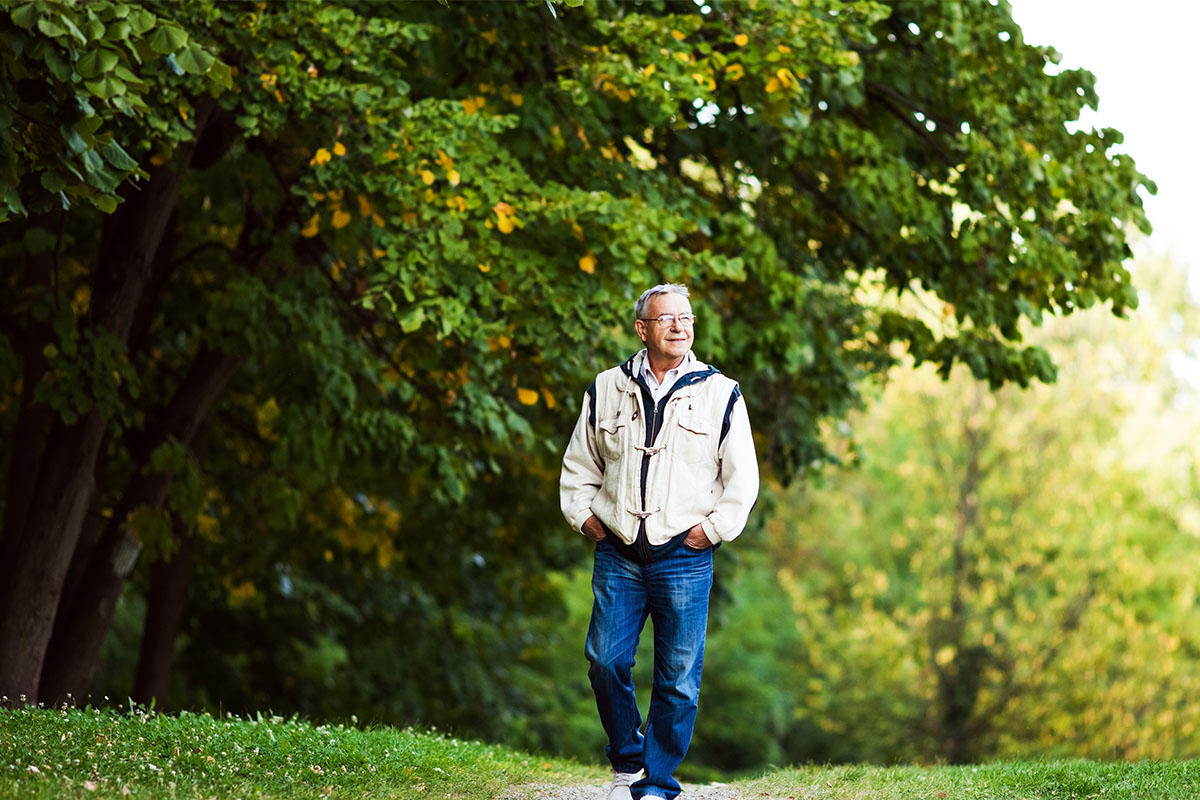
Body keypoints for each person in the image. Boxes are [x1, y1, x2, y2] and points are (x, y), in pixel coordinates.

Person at [560, 283, 759, 800]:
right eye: (666, 318)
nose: (679, 325)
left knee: (677, 677)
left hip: (685, 555)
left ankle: (659, 780)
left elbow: (743, 479)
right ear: (642, 328)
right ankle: (627, 757)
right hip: (619, 550)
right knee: (605, 661)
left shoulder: (720, 391)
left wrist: (711, 530)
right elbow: (580, 465)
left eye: (686, 317)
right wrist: (584, 517)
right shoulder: (607, 387)